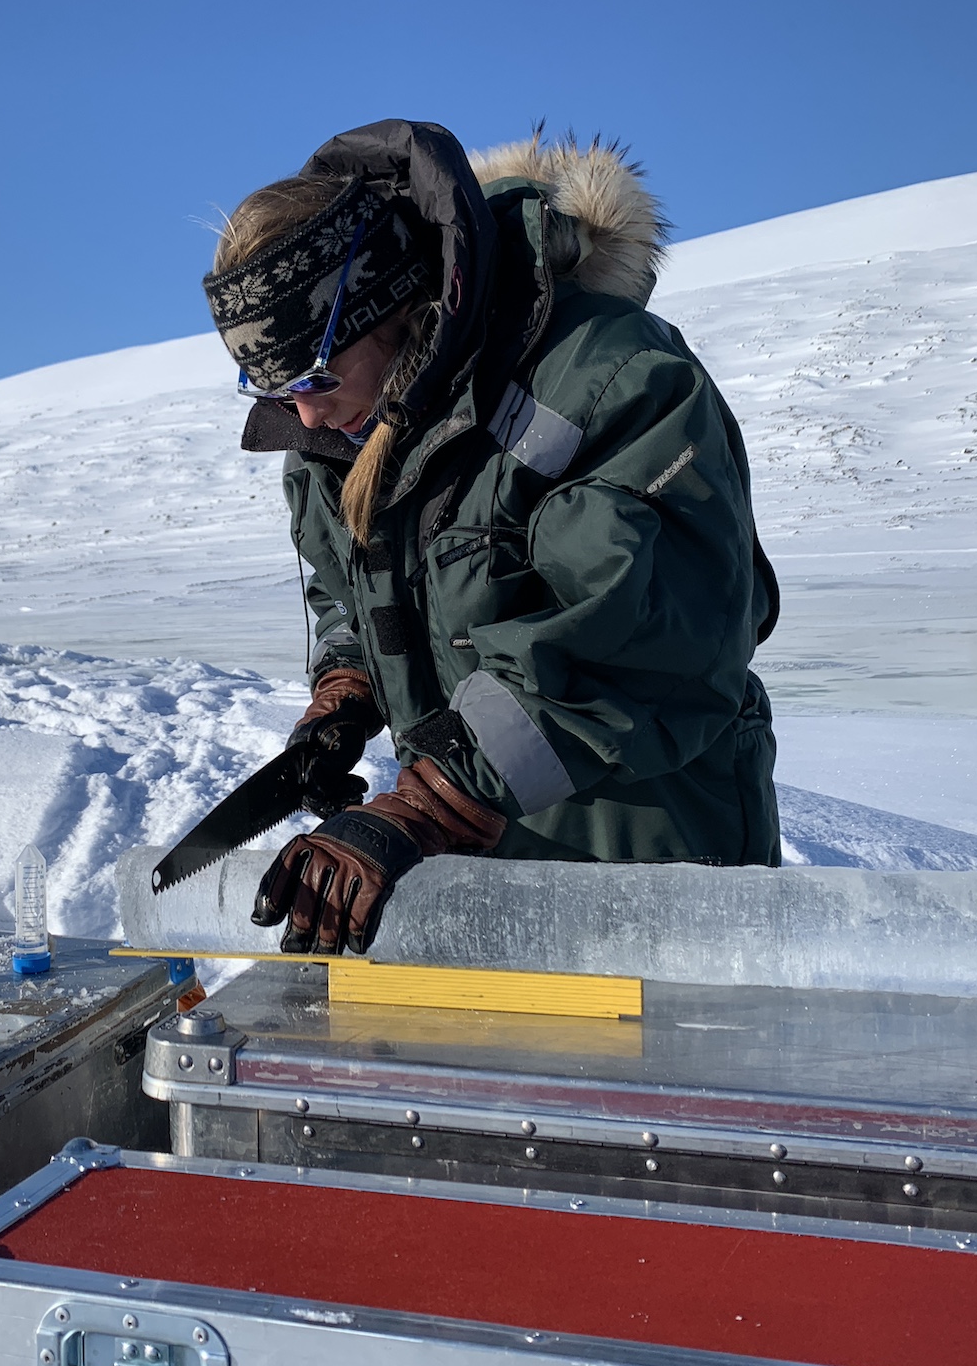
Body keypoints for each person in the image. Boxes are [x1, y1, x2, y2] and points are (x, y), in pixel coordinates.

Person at [201, 120, 781, 957]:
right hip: (478, 864)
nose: (305, 413)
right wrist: (347, 687)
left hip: (649, 862)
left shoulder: (609, 380)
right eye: (272, 386)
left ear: (396, 308)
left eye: (316, 376)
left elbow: (639, 639)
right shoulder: (347, 431)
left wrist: (432, 800)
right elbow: (349, 589)